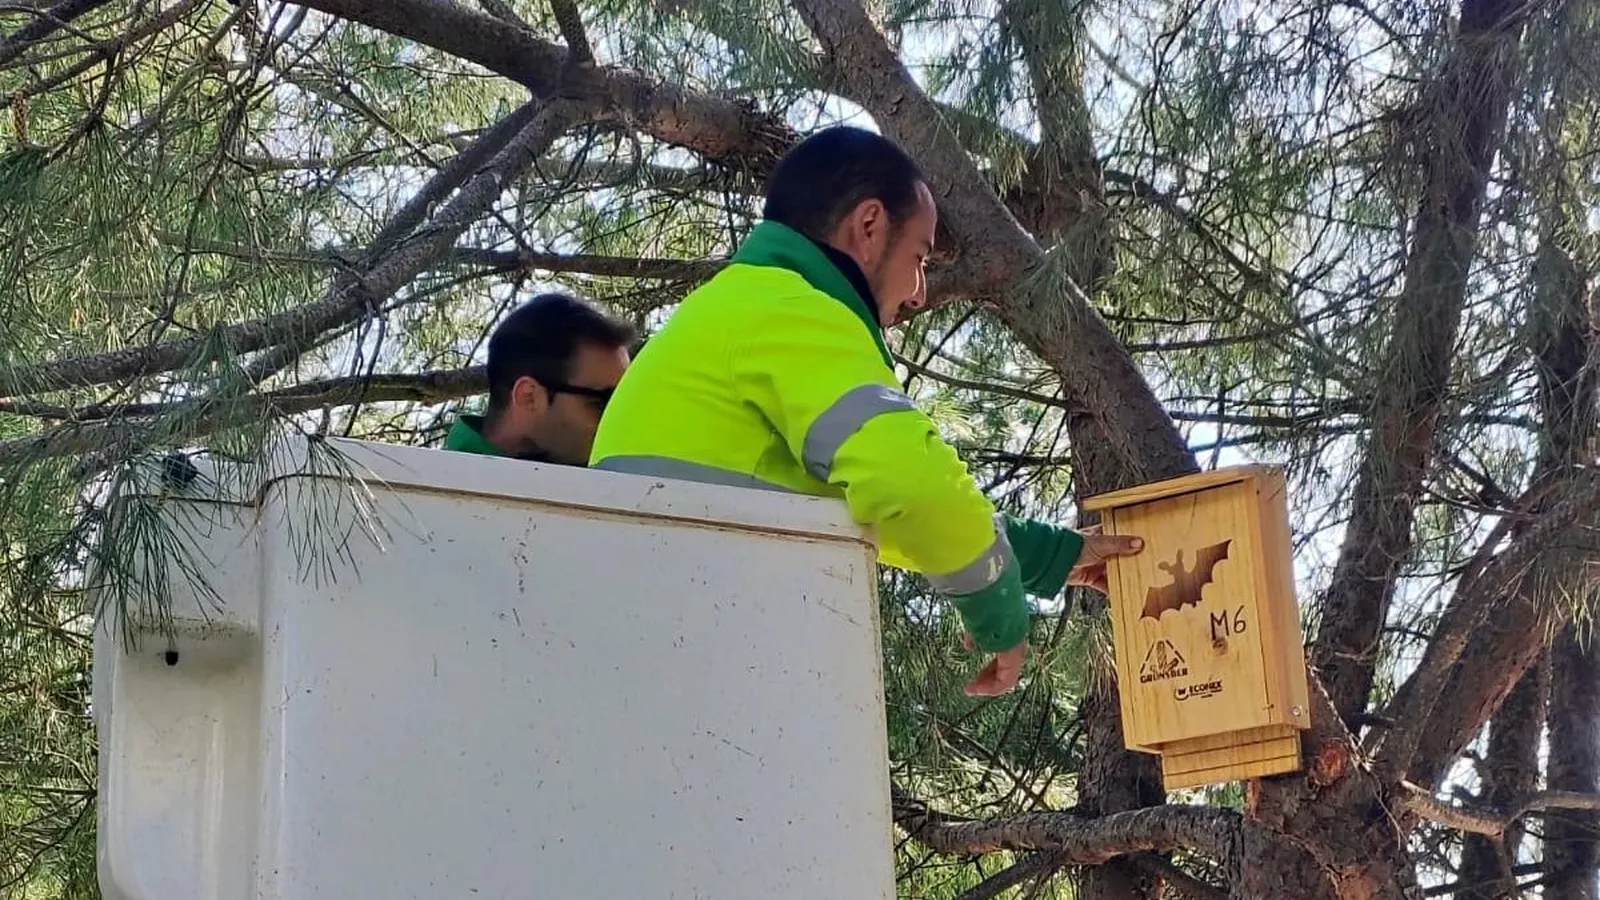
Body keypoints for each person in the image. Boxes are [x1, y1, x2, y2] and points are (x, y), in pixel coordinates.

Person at [589, 125, 1143, 697]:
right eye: (920, 256)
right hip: (710, 673)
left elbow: (864, 506)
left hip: (663, 663)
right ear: (870, 226)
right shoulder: (791, 309)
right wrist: (999, 608)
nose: (919, 292)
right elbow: (911, 487)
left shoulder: (732, 307)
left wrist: (1048, 555)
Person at [444, 291, 636, 466]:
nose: (618, 422)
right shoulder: (432, 494)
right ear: (529, 397)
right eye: (603, 403)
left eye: (623, 405)